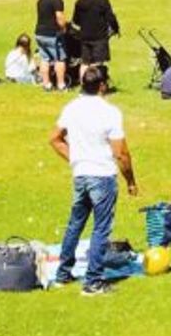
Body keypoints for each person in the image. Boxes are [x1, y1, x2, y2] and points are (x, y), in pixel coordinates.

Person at [50, 65, 137, 296]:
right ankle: (93, 282)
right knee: (101, 229)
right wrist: (130, 180)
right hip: (102, 175)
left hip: (81, 175)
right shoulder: (110, 112)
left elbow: (55, 139)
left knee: (75, 224)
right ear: (102, 86)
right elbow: (121, 154)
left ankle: (62, 273)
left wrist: (76, 159)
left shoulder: (71, 108)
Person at [70, 0, 119, 84]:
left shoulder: (80, 1)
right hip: (99, 37)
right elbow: (110, 18)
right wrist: (115, 29)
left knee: (85, 62)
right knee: (97, 62)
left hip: (84, 36)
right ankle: (94, 85)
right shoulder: (103, 1)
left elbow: (76, 20)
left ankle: (84, 84)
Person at [33, 0, 67, 90]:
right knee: (60, 59)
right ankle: (61, 84)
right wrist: (64, 28)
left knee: (44, 59)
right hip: (52, 34)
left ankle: (46, 84)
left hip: (39, 33)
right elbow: (59, 17)